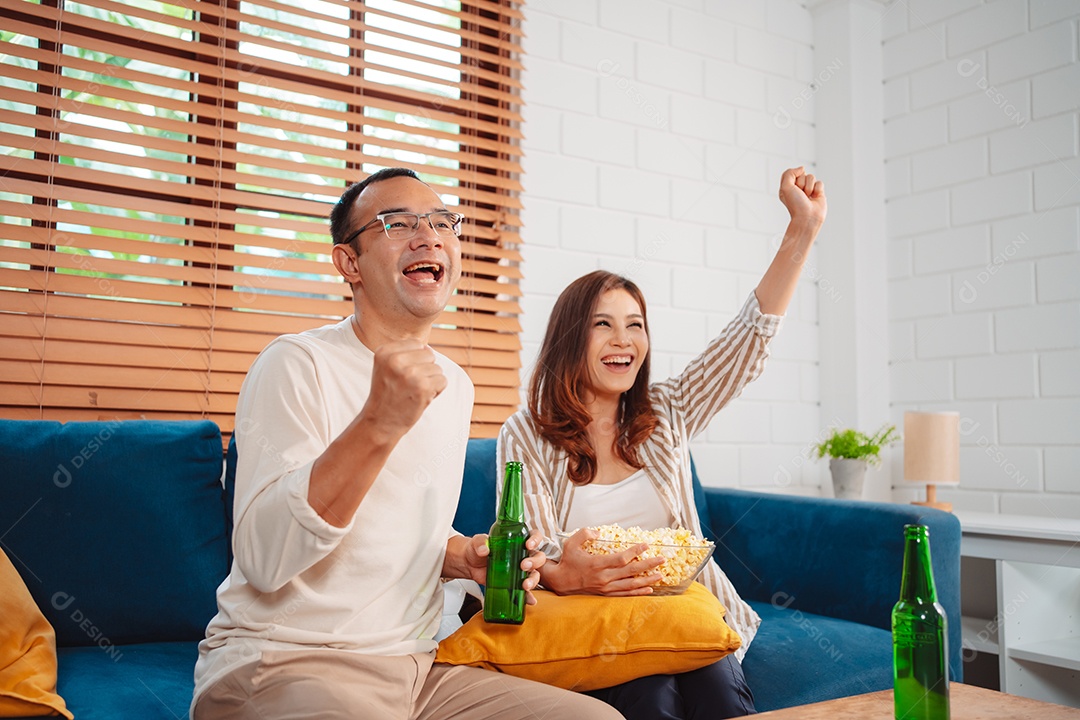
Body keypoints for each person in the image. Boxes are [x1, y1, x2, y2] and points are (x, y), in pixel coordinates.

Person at [192, 167, 624, 720]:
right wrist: (378, 422)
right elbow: (263, 558)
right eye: (397, 223)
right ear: (349, 263)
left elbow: (393, 527)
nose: (430, 235)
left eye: (444, 221)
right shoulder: (296, 364)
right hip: (286, 661)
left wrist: (460, 556)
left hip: (415, 670)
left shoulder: (455, 384)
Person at [496, 167, 827, 720]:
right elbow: (531, 549)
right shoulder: (525, 433)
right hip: (594, 621)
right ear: (570, 338)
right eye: (603, 325)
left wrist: (802, 231)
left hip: (687, 612)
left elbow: (746, 342)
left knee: (719, 693)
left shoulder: (668, 410)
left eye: (635, 324)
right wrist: (565, 569)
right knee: (650, 698)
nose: (624, 340)